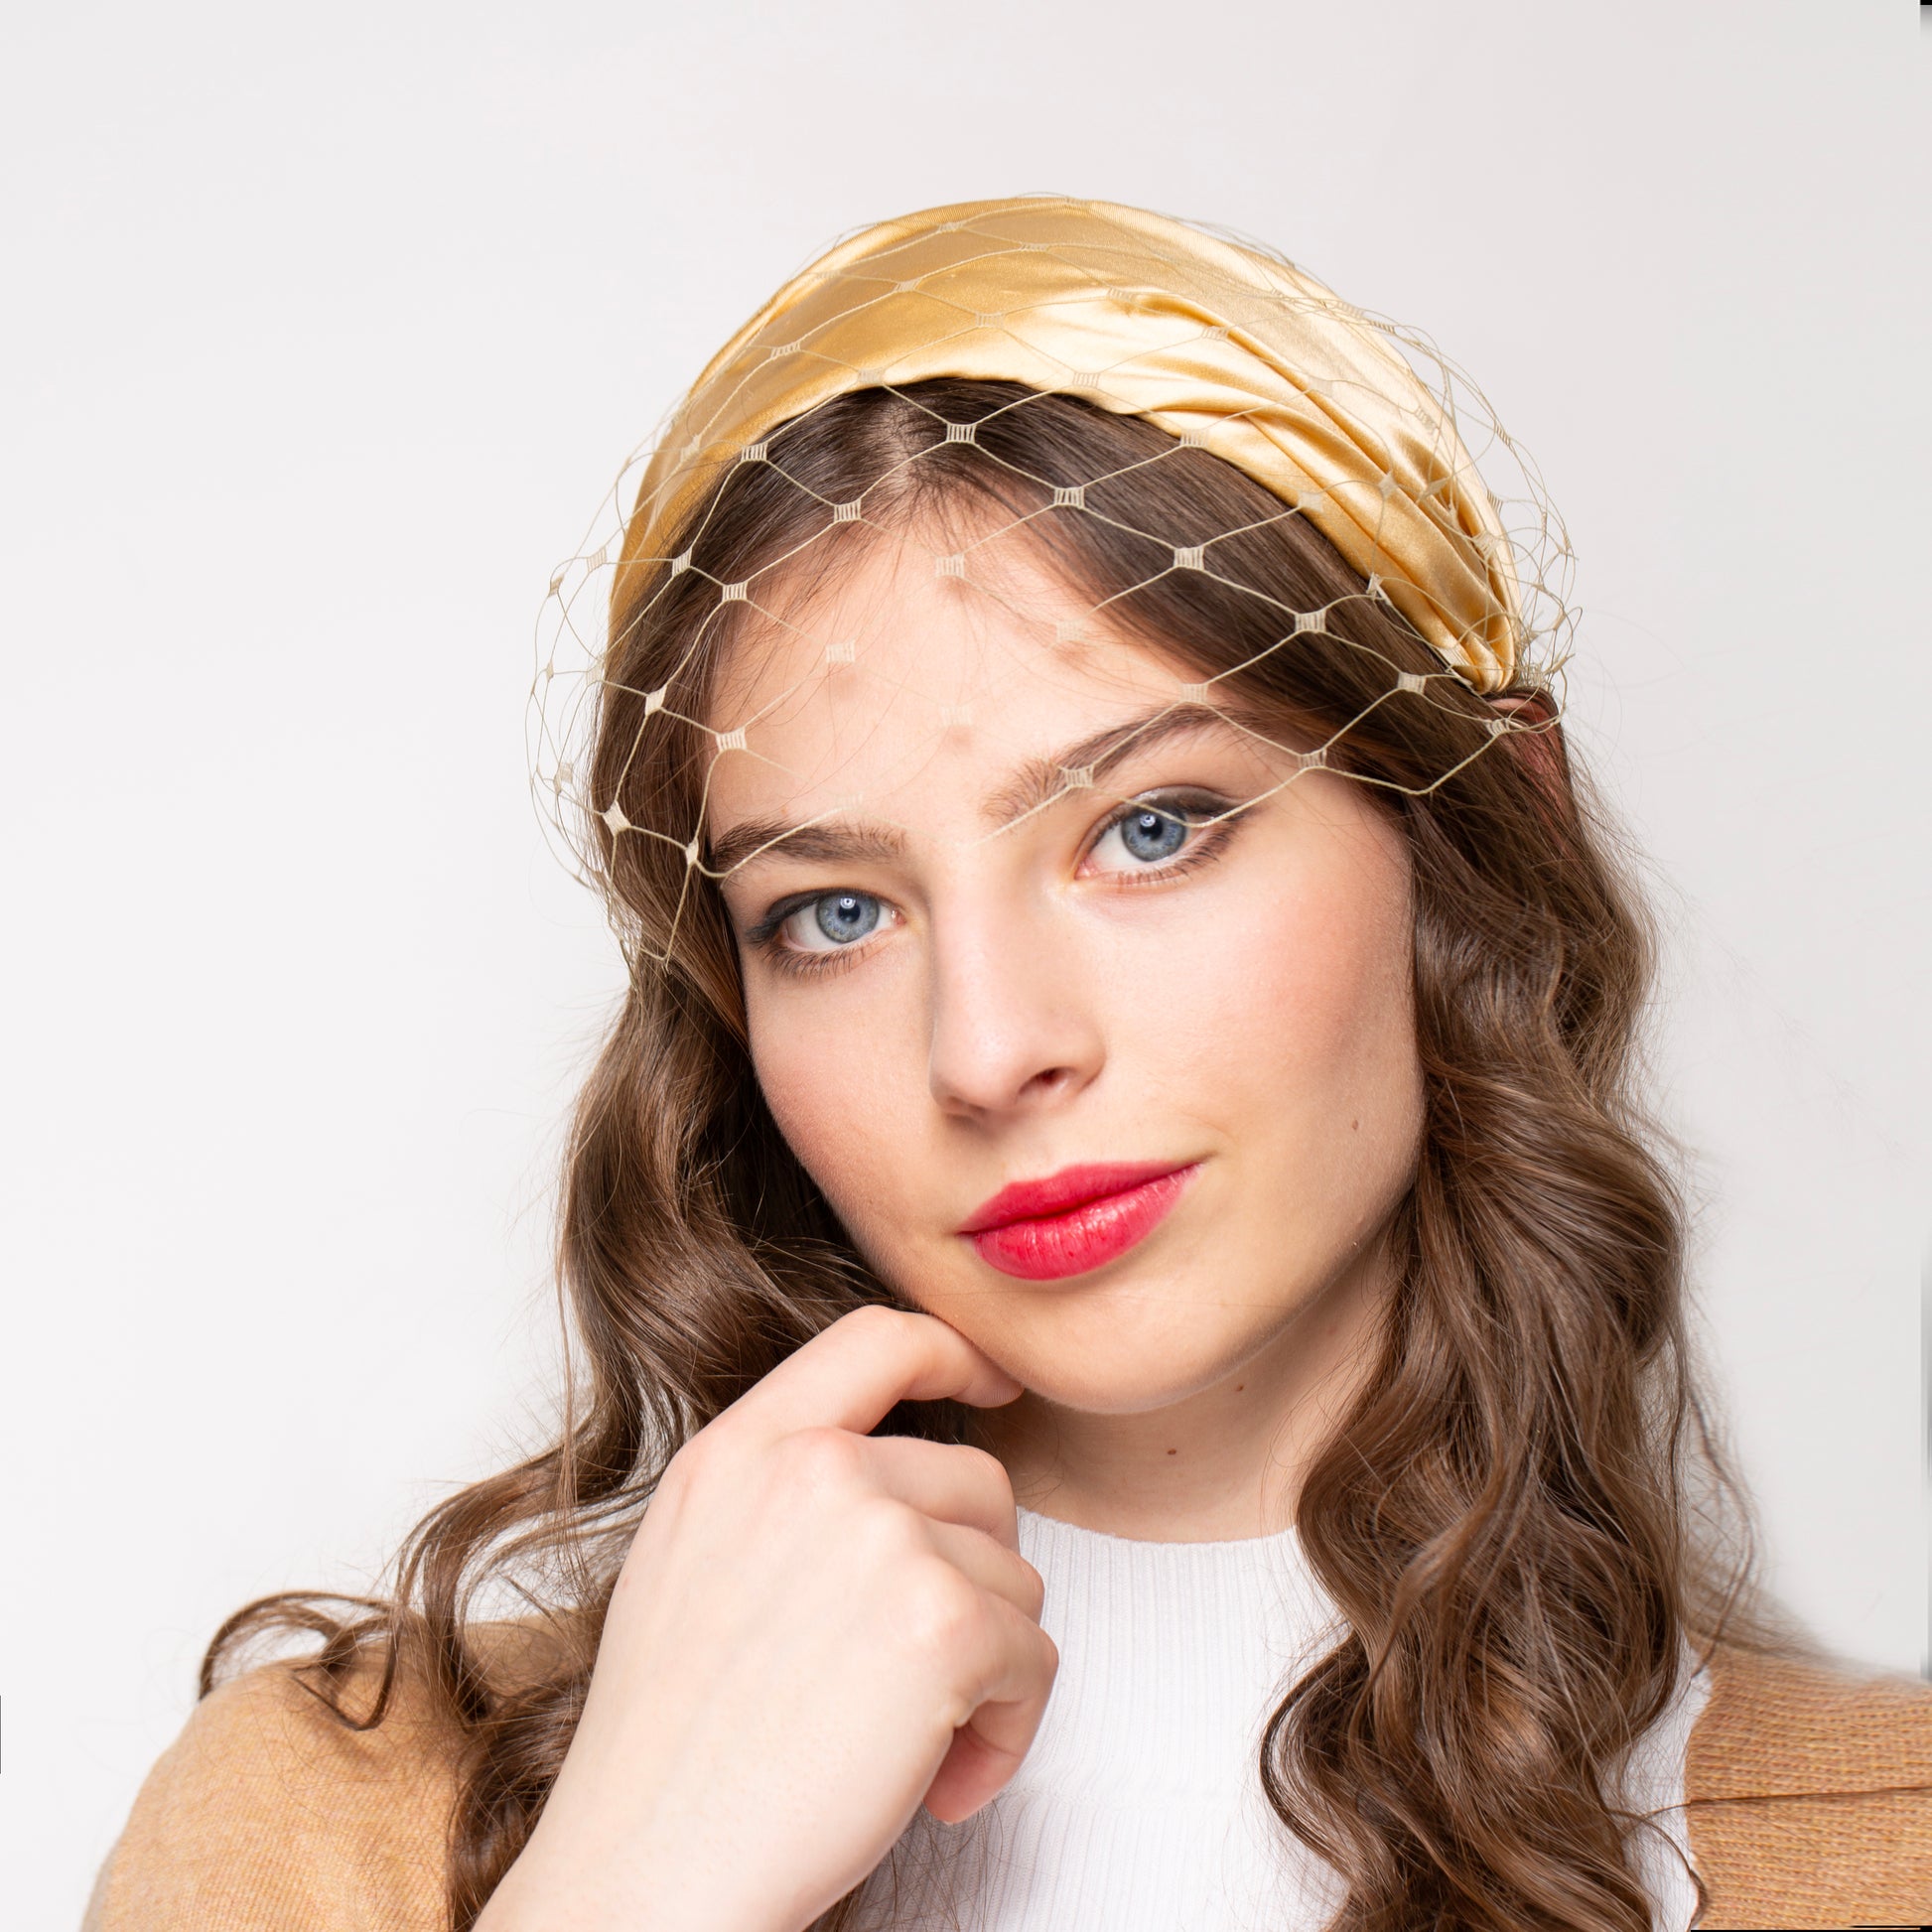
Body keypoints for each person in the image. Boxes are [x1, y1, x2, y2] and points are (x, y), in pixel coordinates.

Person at [85, 197, 1932, 1932]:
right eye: (833, 913)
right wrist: (637, 1875)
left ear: (1481, 833)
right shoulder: (331, 1823)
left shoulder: (1884, 1848)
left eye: (1149, 828)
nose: (987, 1049)